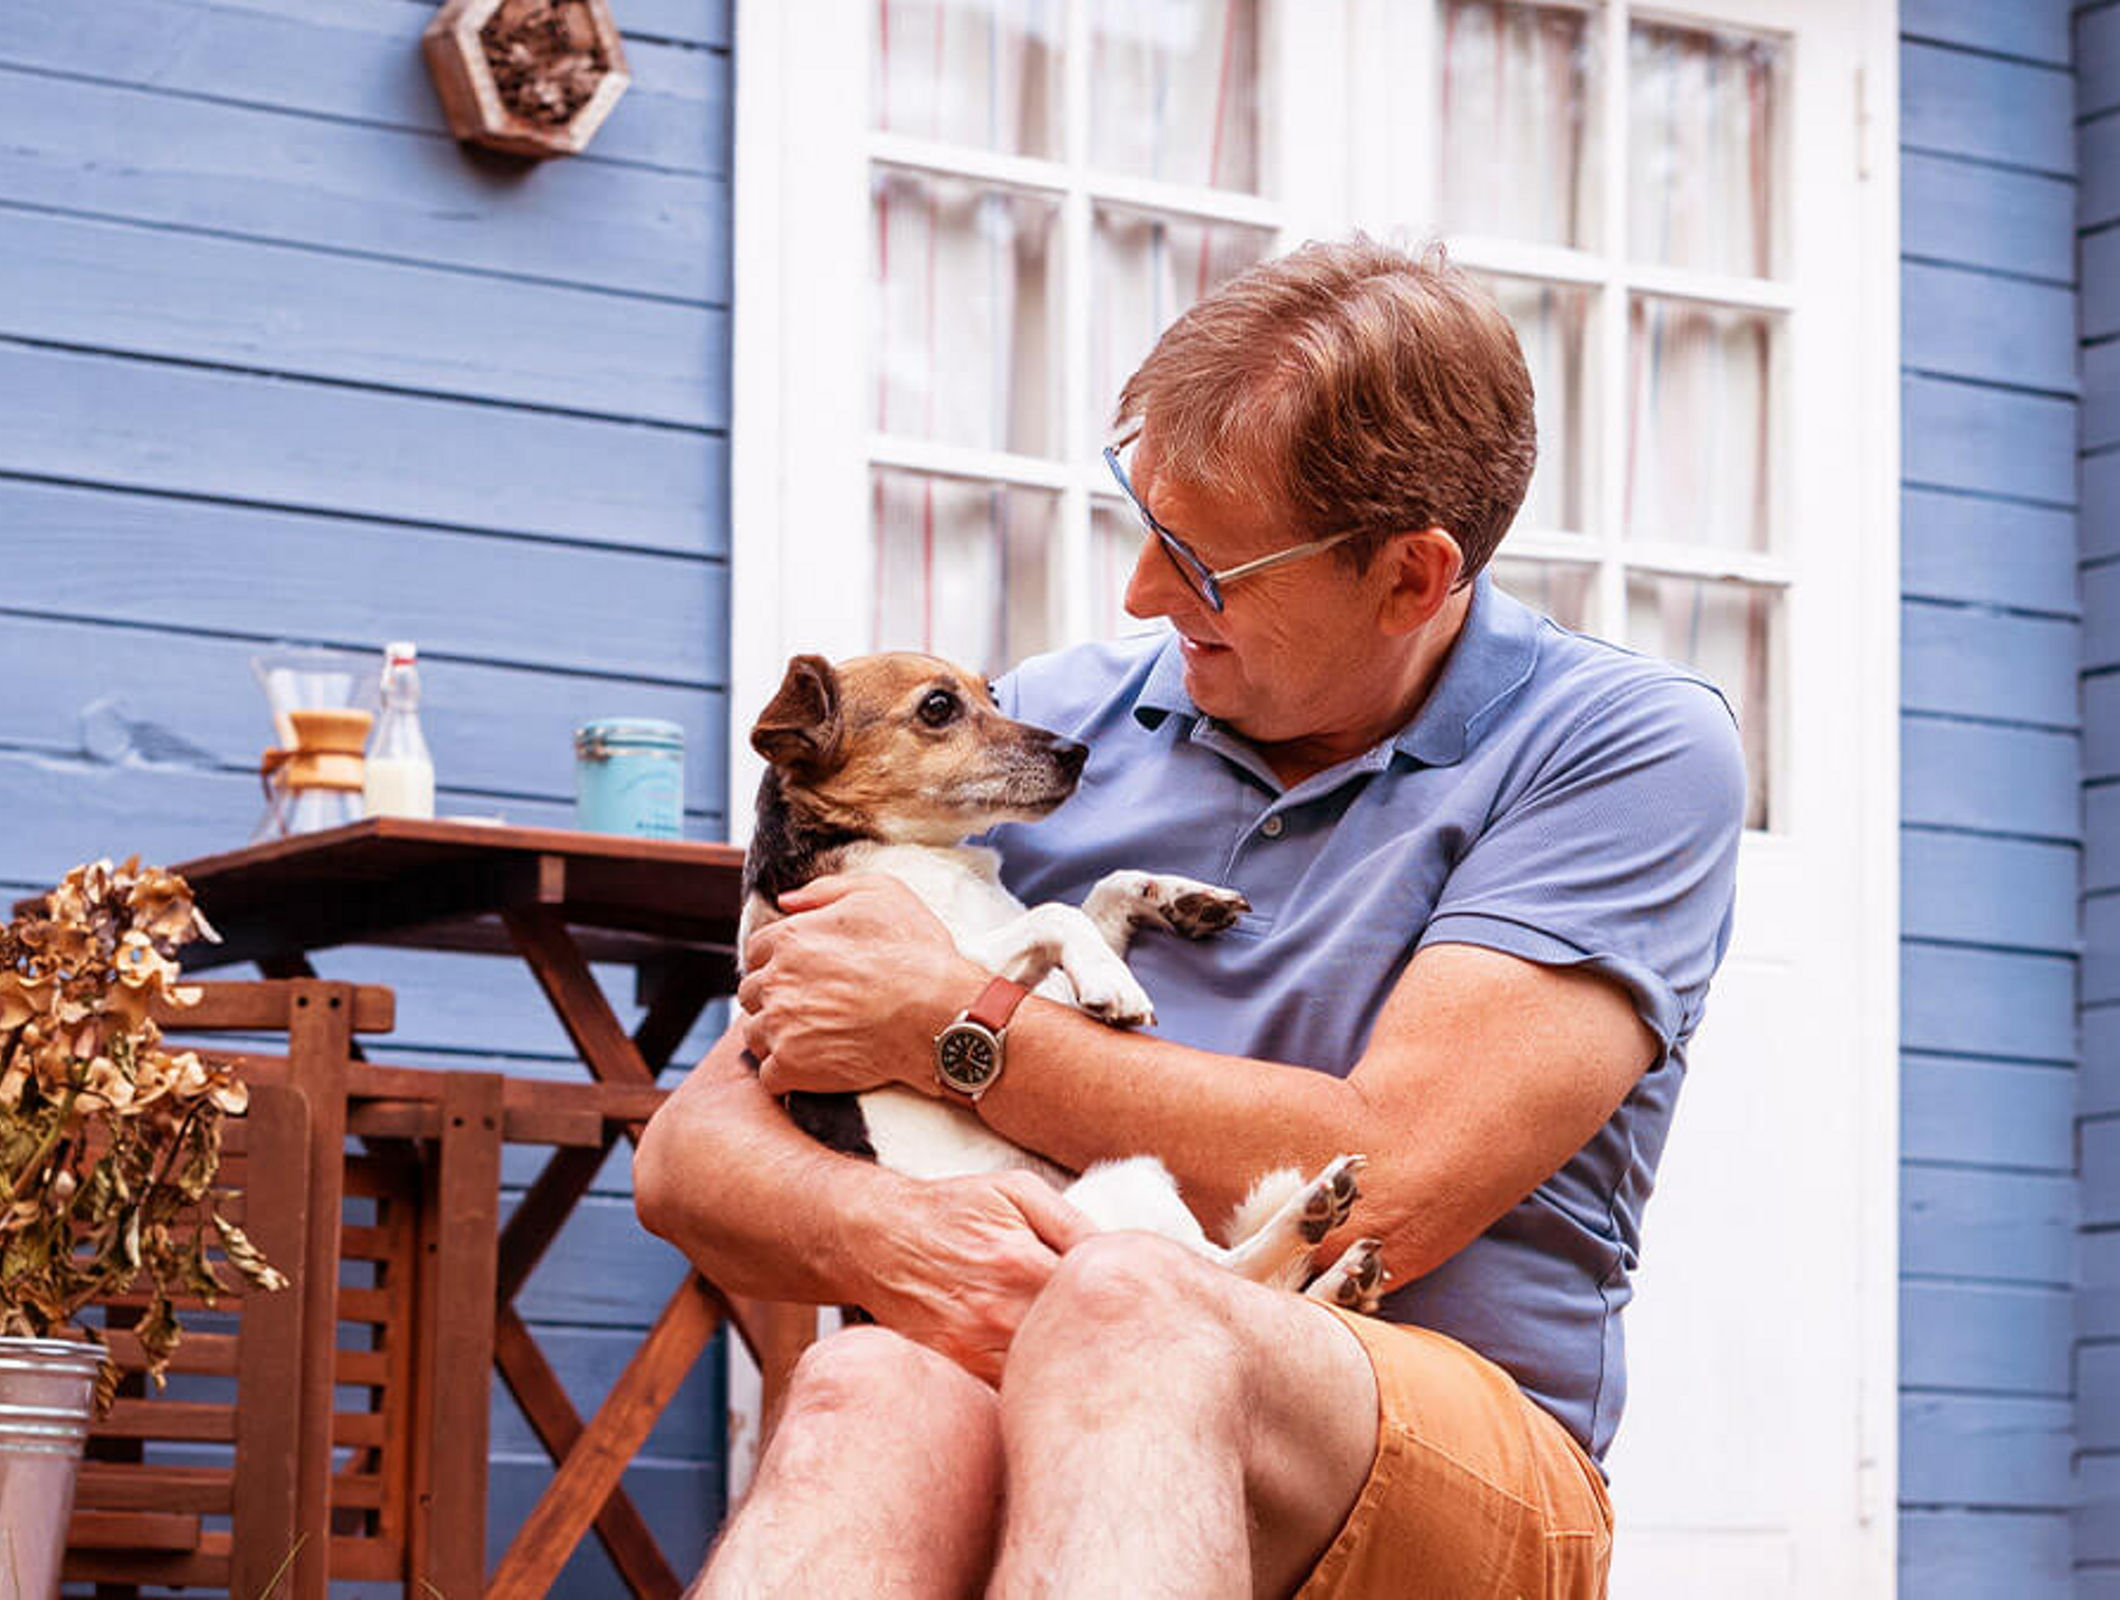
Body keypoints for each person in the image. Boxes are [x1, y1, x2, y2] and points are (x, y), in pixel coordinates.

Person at [633, 237, 1746, 1599]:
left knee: (1127, 1309)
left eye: (1204, 562)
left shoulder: (1623, 748)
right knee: (872, 1375)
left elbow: (1374, 1199)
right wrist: (901, 1239)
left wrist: (954, 1023)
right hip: (1054, 1350)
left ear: (1410, 576)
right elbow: (690, 1158)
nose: (1143, 597)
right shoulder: (1050, 730)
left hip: (1431, 1426)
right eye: (1145, 522)